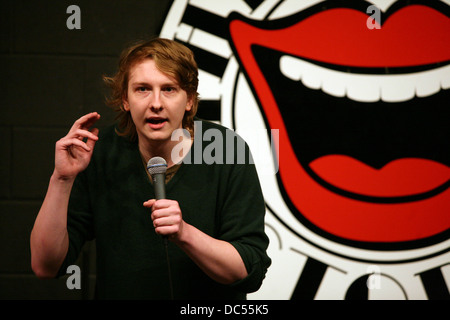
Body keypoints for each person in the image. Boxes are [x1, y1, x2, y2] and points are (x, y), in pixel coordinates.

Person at [30, 38, 271, 299]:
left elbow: (250, 270)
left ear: (189, 99)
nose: (155, 103)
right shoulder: (100, 152)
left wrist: (184, 233)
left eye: (169, 89)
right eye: (143, 89)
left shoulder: (226, 149)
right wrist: (62, 179)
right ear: (125, 99)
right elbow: (45, 266)